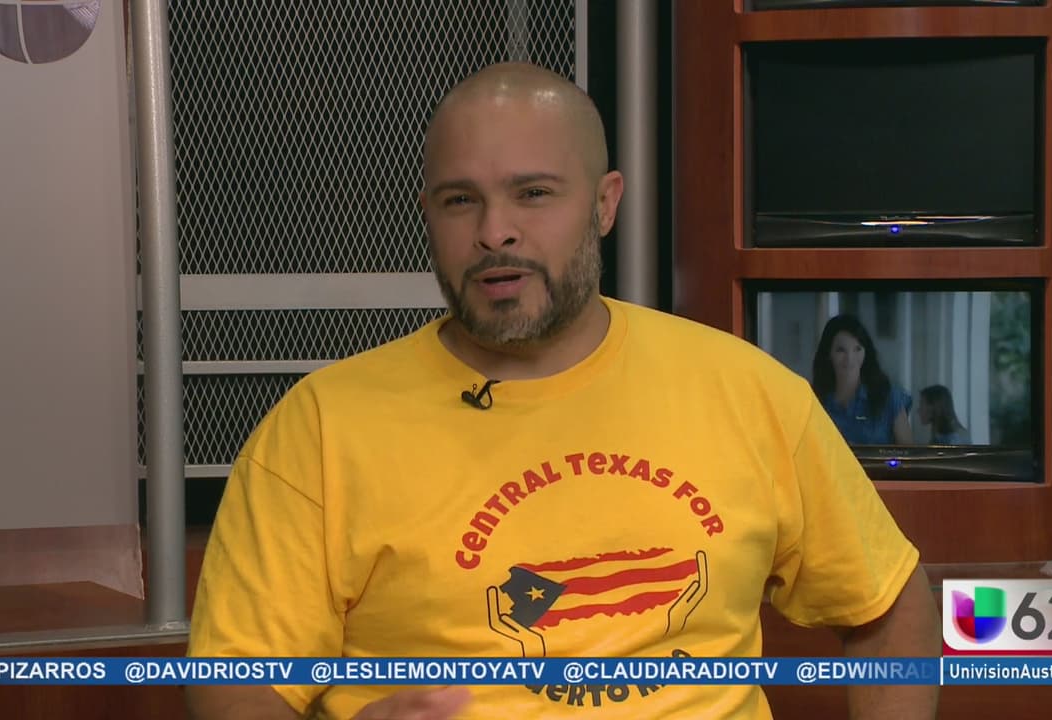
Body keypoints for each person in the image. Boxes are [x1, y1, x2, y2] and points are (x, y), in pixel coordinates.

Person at [185, 62, 939, 720]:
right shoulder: (320, 428)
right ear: (427, 217)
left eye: (533, 193)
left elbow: (888, 605)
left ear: (605, 204)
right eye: (459, 201)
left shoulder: (749, 391)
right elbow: (237, 687)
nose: (495, 232)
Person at [811, 314, 914, 446]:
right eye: (841, 350)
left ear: (866, 352)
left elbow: (909, 454)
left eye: (857, 349)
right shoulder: (815, 401)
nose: (850, 358)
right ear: (828, 353)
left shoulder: (889, 397)